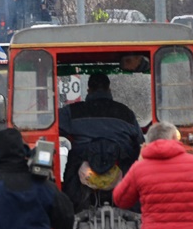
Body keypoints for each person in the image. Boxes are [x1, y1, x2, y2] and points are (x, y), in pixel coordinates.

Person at [58, 73, 144, 211]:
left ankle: (71, 210)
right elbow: (139, 140)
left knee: (72, 165)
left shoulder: (72, 111)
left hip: (82, 165)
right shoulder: (126, 113)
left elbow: (52, 125)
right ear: (109, 89)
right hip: (120, 165)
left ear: (89, 90)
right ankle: (134, 208)